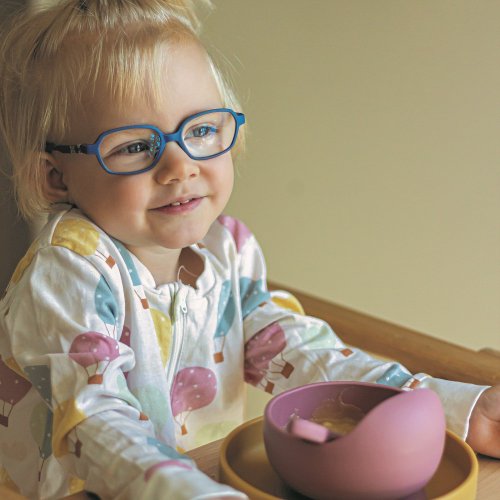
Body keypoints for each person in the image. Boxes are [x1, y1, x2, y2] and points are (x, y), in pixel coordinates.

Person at [0, 1, 498, 498]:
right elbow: (94, 419)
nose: (180, 166)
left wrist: (453, 410)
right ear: (55, 176)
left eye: (200, 130)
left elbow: (299, 355)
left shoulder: (227, 250)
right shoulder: (67, 273)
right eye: (133, 146)